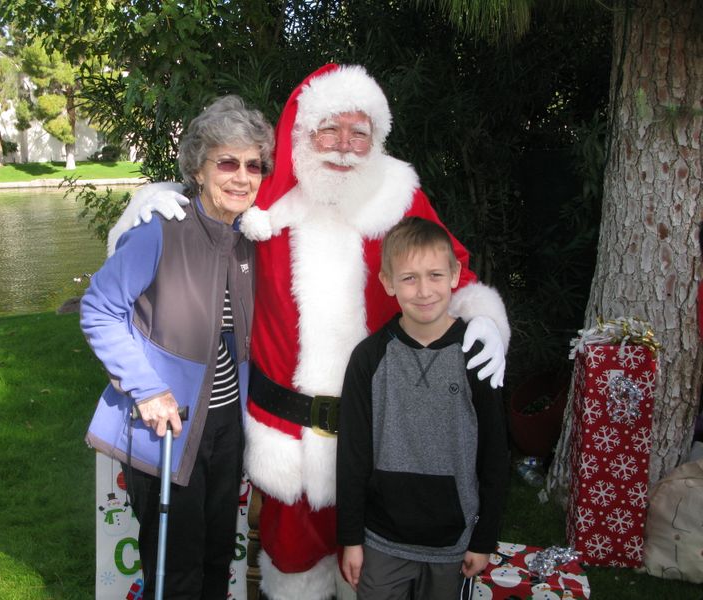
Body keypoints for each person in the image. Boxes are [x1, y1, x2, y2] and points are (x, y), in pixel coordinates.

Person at [109, 64, 510, 600]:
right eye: (330, 129)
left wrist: (484, 317)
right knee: (291, 562)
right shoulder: (269, 196)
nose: (344, 146)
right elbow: (208, 201)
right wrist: (147, 202)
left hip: (375, 426)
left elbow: (447, 265)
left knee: (373, 558)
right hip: (285, 432)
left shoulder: (397, 195)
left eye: (359, 131)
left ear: (378, 137)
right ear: (302, 131)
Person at [81, 95, 274, 600]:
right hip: (167, 425)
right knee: (176, 570)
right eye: (227, 162)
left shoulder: (247, 238)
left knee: (216, 561)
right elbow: (100, 309)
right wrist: (147, 390)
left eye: (253, 165)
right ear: (198, 166)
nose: (241, 176)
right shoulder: (160, 227)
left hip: (226, 424)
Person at [336, 217, 509, 599]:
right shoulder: (368, 358)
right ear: (388, 282)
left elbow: (495, 452)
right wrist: (350, 538)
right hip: (382, 538)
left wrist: (484, 538)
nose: (424, 290)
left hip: (452, 540)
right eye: (409, 278)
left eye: (434, 275)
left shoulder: (477, 355)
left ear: (454, 275)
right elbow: (352, 456)